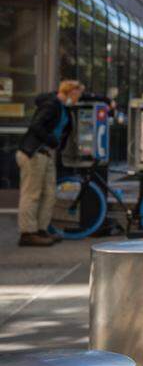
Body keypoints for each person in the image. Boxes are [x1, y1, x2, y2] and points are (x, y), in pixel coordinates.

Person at [16, 80, 84, 246]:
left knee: (49, 193)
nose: (79, 99)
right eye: (78, 95)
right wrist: (51, 140)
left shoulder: (62, 108)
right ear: (71, 93)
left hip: (46, 154)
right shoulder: (51, 105)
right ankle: (27, 232)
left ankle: (41, 229)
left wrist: (106, 100)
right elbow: (36, 125)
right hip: (34, 153)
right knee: (32, 194)